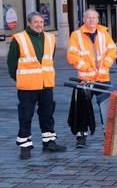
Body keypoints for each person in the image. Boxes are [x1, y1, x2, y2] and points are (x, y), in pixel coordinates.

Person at [8, 12, 67, 160]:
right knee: (25, 116)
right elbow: (11, 64)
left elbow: (49, 59)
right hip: (27, 87)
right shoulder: (19, 39)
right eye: (36, 22)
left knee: (47, 114)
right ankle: (25, 146)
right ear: (29, 23)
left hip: (46, 85)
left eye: (41, 22)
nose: (39, 25)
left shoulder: (50, 38)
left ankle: (49, 143)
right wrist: (21, 78)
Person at [67, 8, 117, 148]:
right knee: (82, 108)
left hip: (102, 77)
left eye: (94, 17)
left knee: (106, 107)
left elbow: (112, 50)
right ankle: (81, 136)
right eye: (88, 17)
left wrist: (105, 64)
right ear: (83, 20)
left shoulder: (104, 33)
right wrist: (87, 68)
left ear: (98, 20)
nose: (91, 20)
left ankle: (108, 134)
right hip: (85, 78)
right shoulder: (76, 35)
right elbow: (72, 55)